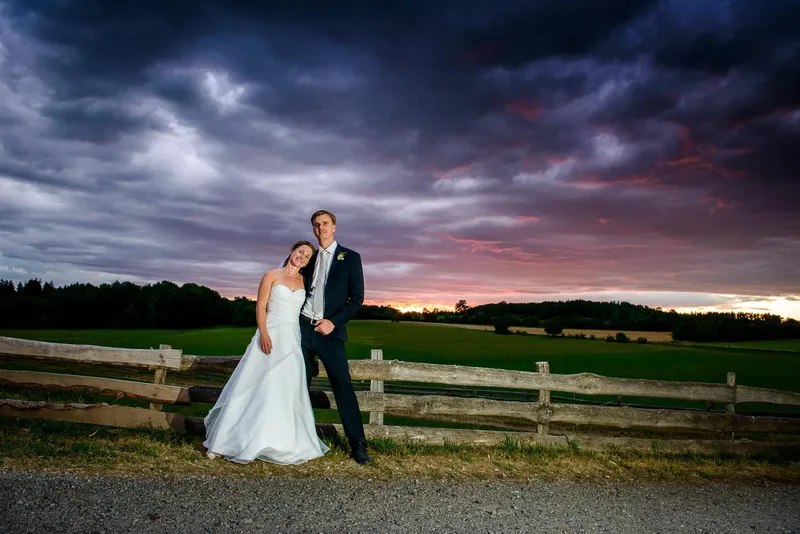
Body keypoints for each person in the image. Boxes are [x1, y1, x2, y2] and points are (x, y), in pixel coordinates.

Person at [203, 240, 329, 464]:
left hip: (291, 340)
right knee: (252, 384)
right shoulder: (272, 274)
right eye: (300, 252)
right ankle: (226, 441)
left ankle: (280, 441)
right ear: (292, 250)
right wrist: (264, 333)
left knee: (283, 388)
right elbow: (260, 306)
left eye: (307, 256)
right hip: (270, 333)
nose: (302, 257)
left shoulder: (304, 281)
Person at [300, 210, 372, 465]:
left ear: (334, 227)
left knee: (343, 386)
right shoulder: (308, 257)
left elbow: (357, 298)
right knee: (296, 384)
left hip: (330, 332)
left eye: (325, 223)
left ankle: (358, 446)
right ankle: (297, 438)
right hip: (302, 329)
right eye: (316, 225)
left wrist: (333, 322)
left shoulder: (350, 258)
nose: (321, 228)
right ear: (313, 230)